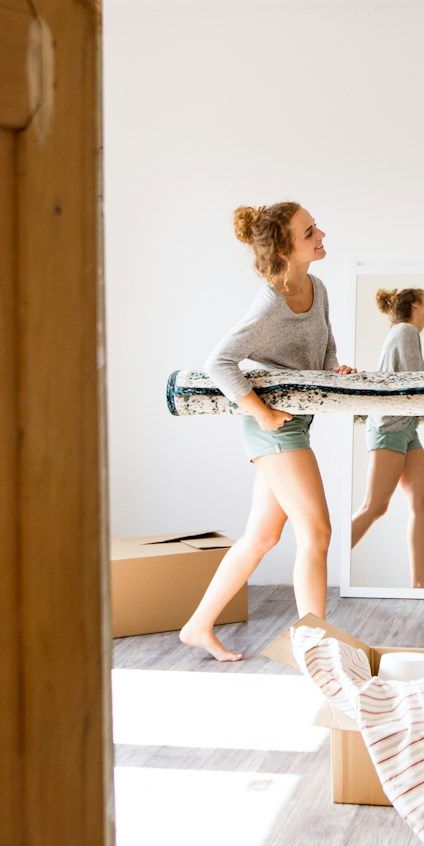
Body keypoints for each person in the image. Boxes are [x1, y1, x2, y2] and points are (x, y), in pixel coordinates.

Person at [178, 202, 354, 661]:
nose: (320, 234)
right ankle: (314, 646)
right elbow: (217, 362)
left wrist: (335, 367)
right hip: (277, 431)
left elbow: (325, 343)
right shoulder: (270, 300)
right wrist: (259, 412)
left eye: (315, 226)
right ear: (283, 247)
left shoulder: (318, 287)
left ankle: (197, 626)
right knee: (316, 533)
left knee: (260, 537)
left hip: (294, 426)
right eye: (309, 231)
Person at [349, 287, 424, 589]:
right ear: (414, 305)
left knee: (421, 503)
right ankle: (324, 560)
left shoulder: (405, 332)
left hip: (406, 428)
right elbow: (415, 382)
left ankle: (420, 584)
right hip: (389, 427)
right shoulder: (405, 331)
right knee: (375, 507)